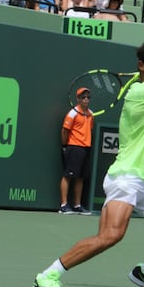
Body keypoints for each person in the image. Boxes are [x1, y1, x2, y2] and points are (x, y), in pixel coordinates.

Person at [32, 40, 144, 287]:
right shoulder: (140, 90)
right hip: (126, 177)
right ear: (141, 66)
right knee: (110, 236)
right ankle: (48, 276)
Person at [57, 87, 93, 215]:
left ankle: (77, 205)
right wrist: (64, 145)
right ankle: (63, 205)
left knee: (80, 178)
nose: (86, 100)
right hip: (74, 147)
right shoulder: (72, 113)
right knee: (68, 176)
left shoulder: (90, 114)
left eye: (88, 97)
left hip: (85, 148)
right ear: (78, 99)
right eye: (83, 97)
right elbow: (64, 130)